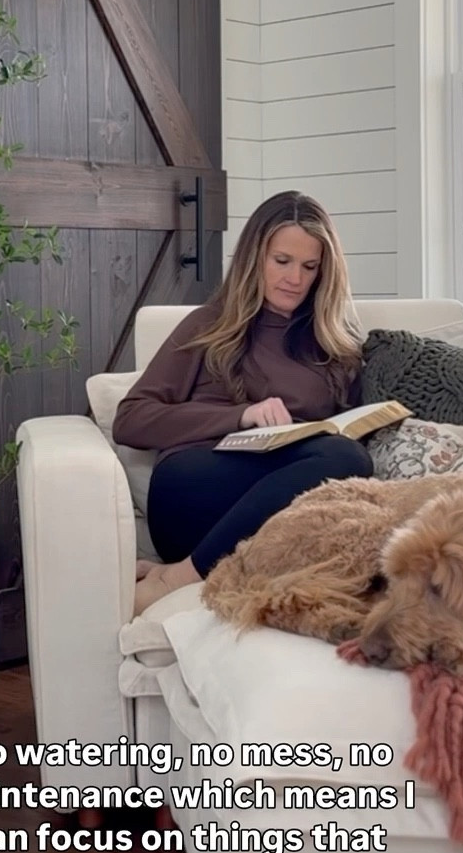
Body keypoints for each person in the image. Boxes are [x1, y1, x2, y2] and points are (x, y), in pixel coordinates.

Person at [113, 191, 372, 616]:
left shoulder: (333, 346)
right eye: (281, 261)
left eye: (310, 267)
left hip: (277, 508)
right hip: (193, 491)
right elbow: (131, 419)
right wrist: (241, 415)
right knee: (344, 456)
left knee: (346, 457)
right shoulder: (209, 325)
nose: (295, 279)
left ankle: (189, 573)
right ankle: (175, 579)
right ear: (255, 257)